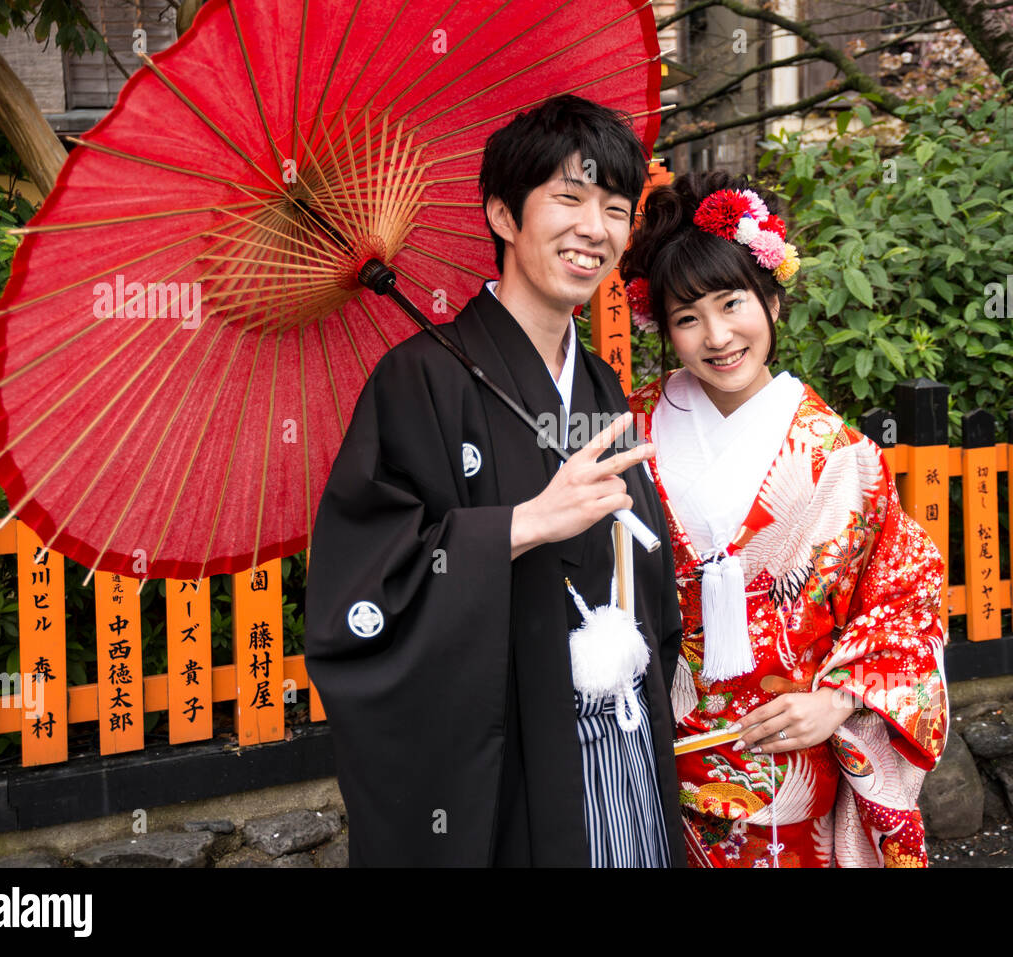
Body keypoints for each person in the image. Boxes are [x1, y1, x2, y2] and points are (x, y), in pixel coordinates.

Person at [304, 95, 686, 867]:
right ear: (504, 216)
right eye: (569, 199)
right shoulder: (418, 381)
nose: (596, 230)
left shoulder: (603, 387)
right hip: (507, 772)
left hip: (625, 747)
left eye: (616, 208)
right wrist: (519, 526)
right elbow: (360, 593)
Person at [618, 170, 949, 867]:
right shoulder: (629, 433)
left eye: (731, 302)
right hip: (650, 759)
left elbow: (907, 601)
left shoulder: (842, 457)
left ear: (771, 295)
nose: (716, 335)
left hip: (793, 768)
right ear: (663, 328)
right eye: (686, 317)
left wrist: (838, 701)